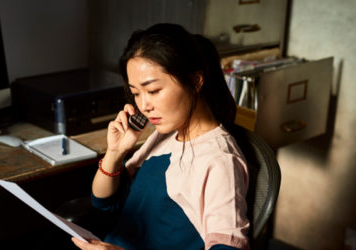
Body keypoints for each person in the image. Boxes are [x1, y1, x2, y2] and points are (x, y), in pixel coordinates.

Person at [72, 23, 249, 250]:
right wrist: (115, 152)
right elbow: (104, 202)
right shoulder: (165, 134)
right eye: (136, 93)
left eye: (153, 91)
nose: (144, 105)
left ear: (195, 81)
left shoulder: (219, 161)